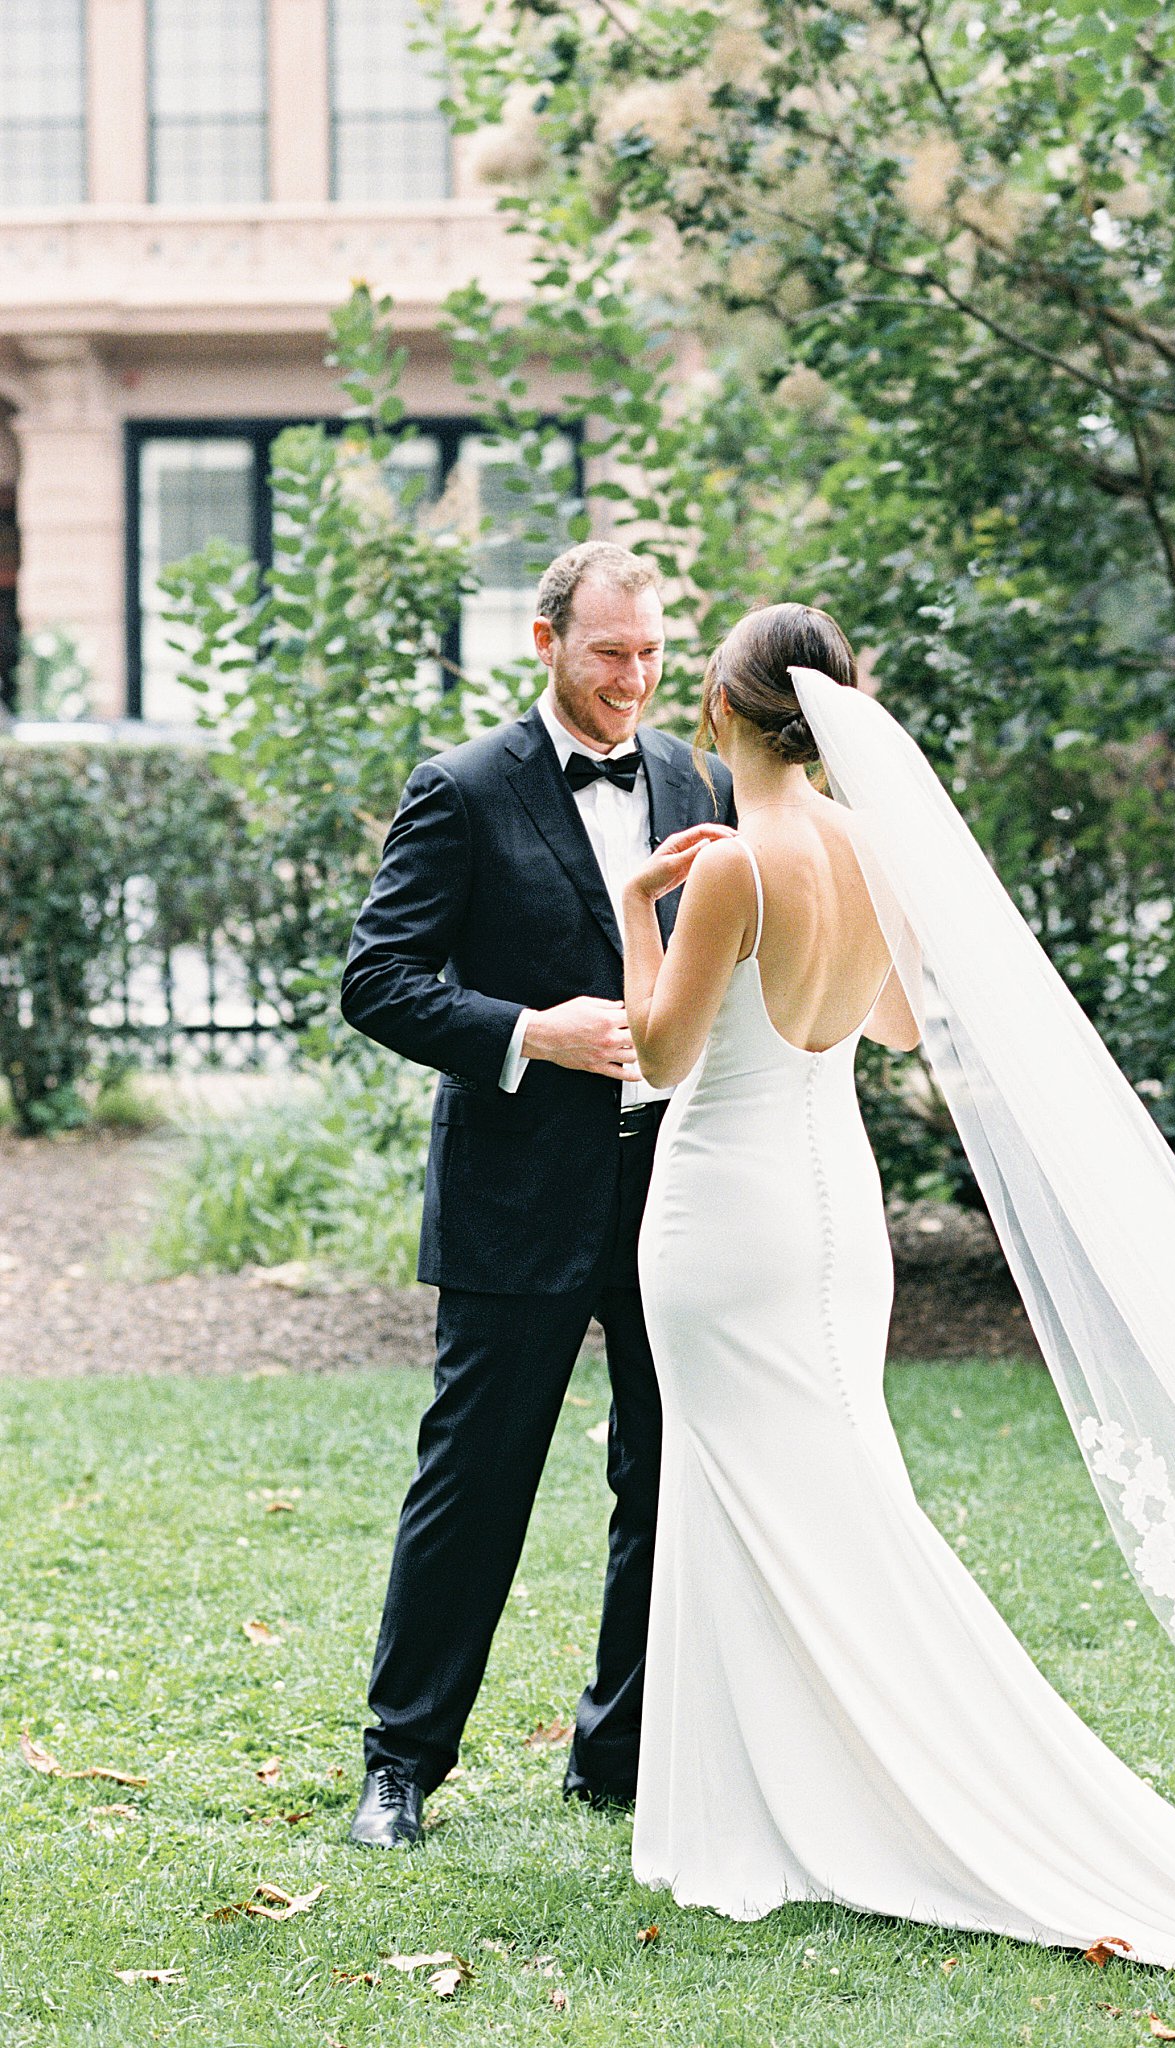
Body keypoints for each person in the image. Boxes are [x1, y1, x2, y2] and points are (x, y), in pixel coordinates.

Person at [618, 600, 1175, 1998]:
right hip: (834, 1206)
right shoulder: (858, 848)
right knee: (829, 1490)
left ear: (720, 716)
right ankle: (783, 1800)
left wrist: (631, 914)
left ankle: (777, 1813)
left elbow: (657, 1059)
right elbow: (897, 1021)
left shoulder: (728, 867)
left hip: (724, 1210)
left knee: (743, 1494)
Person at [338, 541, 733, 1847]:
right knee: (475, 1478)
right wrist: (526, 1032)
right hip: (517, 1191)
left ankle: (615, 1751)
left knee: (669, 1468)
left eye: (651, 655)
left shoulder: (700, 781)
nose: (632, 680)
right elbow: (378, 980)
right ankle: (401, 1764)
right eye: (608, 652)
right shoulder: (459, 789)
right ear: (545, 640)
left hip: (673, 1185)